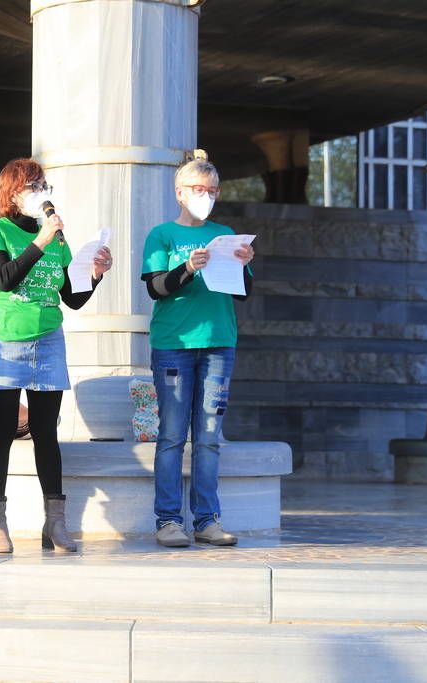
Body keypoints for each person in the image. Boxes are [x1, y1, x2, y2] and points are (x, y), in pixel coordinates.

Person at [0, 158, 113, 554]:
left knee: (46, 431)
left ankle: (55, 522)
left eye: (44, 185)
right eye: (33, 186)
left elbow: (71, 297)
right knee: (0, 430)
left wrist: (96, 273)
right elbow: (3, 278)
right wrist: (40, 241)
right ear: (12, 193)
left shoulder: (55, 237)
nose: (42, 193)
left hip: (48, 339)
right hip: (4, 339)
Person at [140, 151, 255, 548]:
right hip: (174, 345)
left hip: (219, 344)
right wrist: (188, 268)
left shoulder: (225, 233)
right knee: (172, 435)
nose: (205, 195)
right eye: (197, 189)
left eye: (211, 190)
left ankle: (207, 520)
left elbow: (244, 293)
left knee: (208, 436)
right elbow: (155, 287)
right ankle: (169, 520)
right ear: (180, 192)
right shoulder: (162, 235)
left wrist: (242, 264)